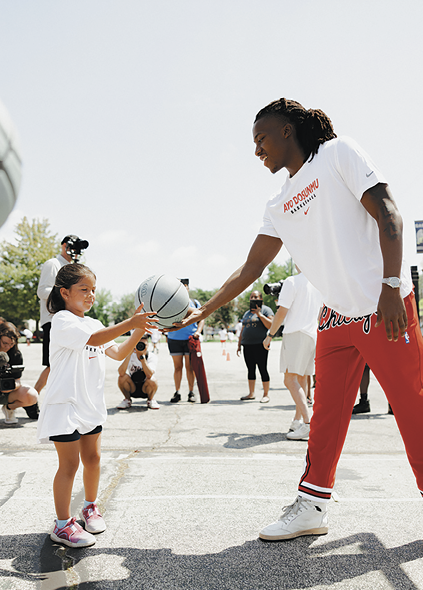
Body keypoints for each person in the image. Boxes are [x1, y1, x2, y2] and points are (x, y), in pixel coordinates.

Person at [171, 97, 423, 542]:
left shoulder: (338, 152)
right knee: (324, 416)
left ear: (287, 130)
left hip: (385, 304)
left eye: (261, 139)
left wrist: (389, 286)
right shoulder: (278, 202)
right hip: (338, 316)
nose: (256, 151)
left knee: (412, 407)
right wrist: (202, 312)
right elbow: (251, 270)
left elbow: (390, 214)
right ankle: (312, 506)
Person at [37, 263, 157, 548]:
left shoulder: (93, 323)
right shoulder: (62, 320)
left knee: (93, 460)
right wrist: (131, 322)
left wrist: (139, 330)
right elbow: (93, 341)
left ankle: (90, 507)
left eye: (94, 290)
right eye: (84, 290)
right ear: (64, 292)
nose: (91, 296)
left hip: (90, 404)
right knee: (69, 464)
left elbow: (116, 353)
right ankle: (62, 525)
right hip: (65, 404)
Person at [263, 269, 322, 440]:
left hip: (295, 332)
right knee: (301, 379)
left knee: (289, 379)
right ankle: (298, 421)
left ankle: (308, 423)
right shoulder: (316, 283)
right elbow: (320, 313)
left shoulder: (292, 281)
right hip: (311, 334)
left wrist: (270, 335)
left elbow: (282, 311)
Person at [34, 235, 89, 399]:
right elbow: (42, 291)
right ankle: (32, 398)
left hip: (71, 320)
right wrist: (66, 293)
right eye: (74, 247)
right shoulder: (53, 264)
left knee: (70, 362)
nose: (76, 252)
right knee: (53, 364)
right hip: (53, 320)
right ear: (64, 246)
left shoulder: (73, 268)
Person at [167, 279, 204, 403]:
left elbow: (202, 318)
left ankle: (191, 392)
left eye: (184, 287)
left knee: (190, 368)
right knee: (177, 367)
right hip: (174, 338)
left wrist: (198, 331)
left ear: (187, 288)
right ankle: (177, 392)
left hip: (190, 339)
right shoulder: (170, 303)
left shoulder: (194, 302)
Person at [237, 290, 274, 403]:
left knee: (262, 369)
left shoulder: (266, 310)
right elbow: (243, 329)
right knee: (250, 369)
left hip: (260, 344)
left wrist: (259, 314)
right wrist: (239, 344)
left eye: (256, 297)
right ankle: (251, 393)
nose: (253, 299)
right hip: (247, 345)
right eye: (252, 297)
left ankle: (266, 395)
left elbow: (270, 325)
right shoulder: (247, 313)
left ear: (261, 298)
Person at [0, 322, 39, 424]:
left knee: (32, 395)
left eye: (11, 344)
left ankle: (9, 408)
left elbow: (17, 380)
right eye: (5, 343)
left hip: (7, 392)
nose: (8, 347)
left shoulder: (16, 354)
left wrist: (11, 387)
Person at [116, 333, 159, 410]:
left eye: (144, 344)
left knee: (153, 380)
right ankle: (127, 400)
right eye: (139, 344)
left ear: (148, 345)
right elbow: (121, 372)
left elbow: (149, 375)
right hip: (132, 387)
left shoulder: (151, 356)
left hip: (145, 388)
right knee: (122, 378)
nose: (141, 346)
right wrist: (128, 354)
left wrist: (142, 357)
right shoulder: (130, 355)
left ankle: (150, 400)